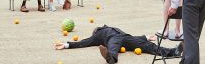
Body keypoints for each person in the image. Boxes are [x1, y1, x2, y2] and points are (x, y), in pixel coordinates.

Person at [55, 25, 183, 64]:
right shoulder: (98, 35)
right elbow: (84, 42)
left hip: (125, 38)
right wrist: (67, 44)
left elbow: (131, 37)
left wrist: (145, 37)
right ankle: (111, 58)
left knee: (146, 45)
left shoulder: (107, 28)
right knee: (113, 47)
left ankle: (173, 52)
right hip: (112, 39)